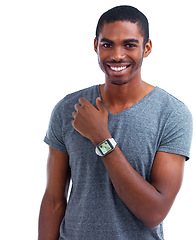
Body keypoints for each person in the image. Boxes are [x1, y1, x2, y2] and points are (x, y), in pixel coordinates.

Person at [38, 5, 193, 240]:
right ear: (95, 46)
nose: (117, 55)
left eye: (129, 45)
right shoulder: (68, 109)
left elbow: (154, 212)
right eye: (107, 44)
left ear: (147, 48)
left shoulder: (172, 114)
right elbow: (53, 201)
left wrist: (101, 138)